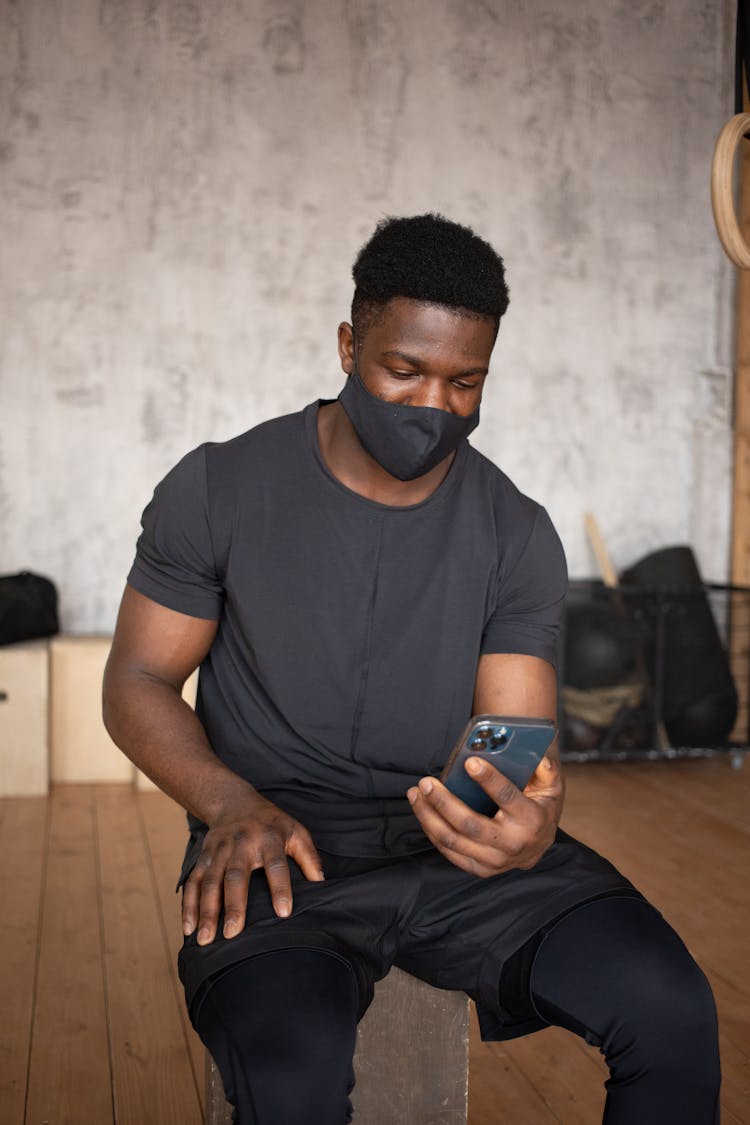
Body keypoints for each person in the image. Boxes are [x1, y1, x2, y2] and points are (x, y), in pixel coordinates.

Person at [103, 213, 720, 1125]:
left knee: (671, 1010)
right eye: (405, 370)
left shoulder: (516, 532)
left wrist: (529, 824)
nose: (433, 404)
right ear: (350, 345)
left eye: (464, 381)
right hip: (277, 853)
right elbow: (138, 682)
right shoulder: (219, 487)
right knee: (291, 1079)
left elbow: (514, 738)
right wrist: (228, 804)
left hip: (447, 854)